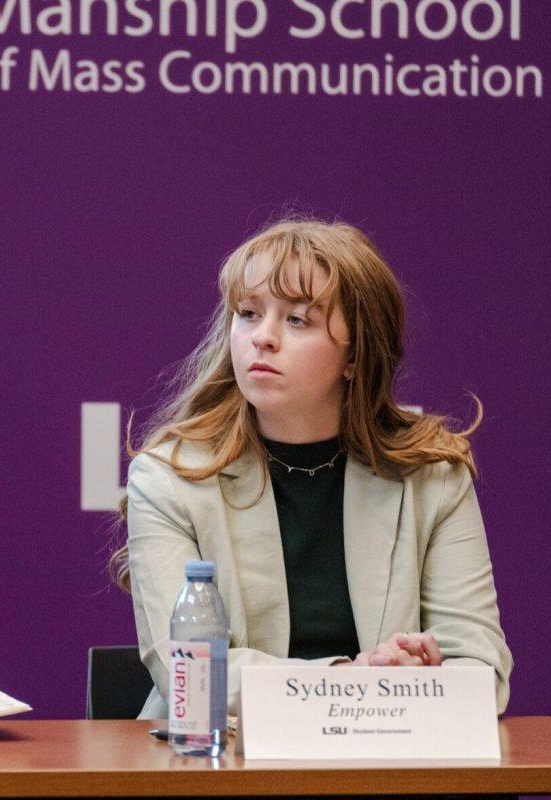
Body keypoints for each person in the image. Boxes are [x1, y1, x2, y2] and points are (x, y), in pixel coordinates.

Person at [112, 219, 511, 719]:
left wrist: (417, 677)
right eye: (248, 314)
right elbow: (189, 673)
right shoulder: (170, 477)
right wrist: (351, 683)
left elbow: (480, 670)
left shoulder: (430, 472)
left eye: (297, 320)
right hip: (219, 769)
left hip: (386, 771)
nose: (262, 338)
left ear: (355, 354)